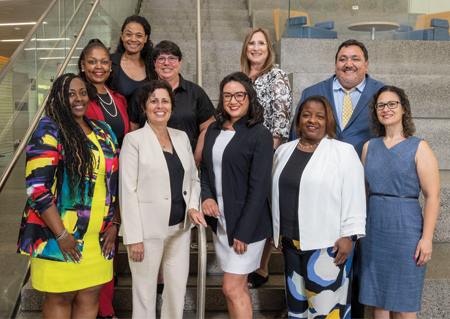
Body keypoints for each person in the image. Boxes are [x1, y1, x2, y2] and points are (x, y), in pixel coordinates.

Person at [17, 73, 120, 319]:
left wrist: (115, 223)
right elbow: (37, 190)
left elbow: (116, 182)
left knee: (91, 293)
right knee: (60, 296)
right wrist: (62, 235)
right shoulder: (48, 128)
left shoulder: (103, 130)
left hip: (99, 236)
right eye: (70, 93)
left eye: (82, 92)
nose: (78, 99)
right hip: (60, 234)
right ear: (58, 97)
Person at [272, 95, 366, 318]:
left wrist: (350, 236)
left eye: (319, 116)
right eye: (306, 115)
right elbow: (274, 194)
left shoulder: (343, 152)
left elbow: (355, 195)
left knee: (326, 312)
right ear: (298, 120)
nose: (312, 120)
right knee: (297, 309)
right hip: (290, 243)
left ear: (328, 121)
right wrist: (275, 233)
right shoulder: (284, 151)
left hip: (327, 246)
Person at [119, 80, 205, 319]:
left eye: (165, 100)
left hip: (179, 229)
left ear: (172, 106)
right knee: (145, 294)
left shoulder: (181, 137)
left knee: (176, 290)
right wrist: (134, 238)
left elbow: (193, 180)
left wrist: (194, 207)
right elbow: (128, 191)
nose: (160, 106)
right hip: (146, 233)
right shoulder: (134, 140)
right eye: (153, 101)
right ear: (144, 107)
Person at [358, 86, 440, 318]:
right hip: (374, 232)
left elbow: (432, 196)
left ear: (403, 108)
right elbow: (363, 193)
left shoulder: (419, 147)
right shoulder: (369, 147)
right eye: (381, 105)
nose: (386, 109)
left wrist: (427, 239)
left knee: (405, 306)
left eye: (392, 103)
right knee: (378, 304)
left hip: (406, 232)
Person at [201, 72, 273, 319]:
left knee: (230, 288)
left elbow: (259, 188)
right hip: (221, 220)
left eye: (239, 95)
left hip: (245, 224)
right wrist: (206, 196)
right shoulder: (213, 129)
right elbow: (204, 169)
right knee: (237, 288)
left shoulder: (259, 134)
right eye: (227, 95)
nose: (233, 100)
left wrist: (244, 231)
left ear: (249, 98)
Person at [78, 38, 129, 319]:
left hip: (117, 179)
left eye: (104, 62)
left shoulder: (118, 98)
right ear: (83, 65)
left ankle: (104, 308)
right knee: (92, 246)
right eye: (92, 61)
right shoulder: (77, 96)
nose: (99, 66)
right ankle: (99, 310)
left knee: (110, 243)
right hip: (87, 182)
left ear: (111, 67)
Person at [240, 27, 292, 289]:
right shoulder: (240, 77)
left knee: (264, 206)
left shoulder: (276, 76)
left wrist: (267, 155)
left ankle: (261, 267)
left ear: (269, 49)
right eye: (252, 43)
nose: (256, 48)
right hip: (242, 152)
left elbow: (282, 121)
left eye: (261, 43)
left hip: (267, 153)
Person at [289, 39, 385, 158]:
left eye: (355, 59)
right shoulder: (311, 92)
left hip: (364, 169)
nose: (349, 64)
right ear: (335, 65)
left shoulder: (383, 93)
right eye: (343, 59)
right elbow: (297, 134)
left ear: (366, 65)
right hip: (319, 168)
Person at [128, 40, 215, 166]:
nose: (166, 63)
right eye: (161, 58)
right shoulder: (140, 93)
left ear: (180, 62)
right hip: (148, 163)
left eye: (172, 58)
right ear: (154, 63)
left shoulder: (196, 93)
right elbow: (133, 129)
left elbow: (208, 127)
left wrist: (195, 159)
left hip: (187, 162)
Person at [108, 15, 157, 103]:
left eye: (139, 35)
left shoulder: (152, 66)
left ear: (145, 38)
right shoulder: (109, 62)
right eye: (128, 34)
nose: (133, 39)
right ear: (122, 36)